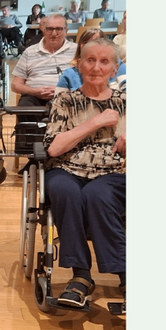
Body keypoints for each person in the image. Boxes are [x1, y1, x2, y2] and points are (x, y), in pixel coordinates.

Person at [44, 38, 126, 308]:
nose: (96, 67)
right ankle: (80, 276)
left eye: (104, 62)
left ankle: (126, 275)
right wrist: (96, 122)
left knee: (97, 193)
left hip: (114, 173)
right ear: (79, 65)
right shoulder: (65, 101)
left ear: (115, 69)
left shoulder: (127, 104)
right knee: (63, 189)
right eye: (90, 60)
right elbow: (55, 148)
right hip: (67, 169)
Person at [11, 14, 77, 108]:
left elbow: (86, 81)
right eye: (50, 29)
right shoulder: (30, 52)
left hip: (69, 97)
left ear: (66, 31)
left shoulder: (76, 51)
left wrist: (63, 90)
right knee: (25, 106)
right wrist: (34, 91)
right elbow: (15, 85)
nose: (54, 33)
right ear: (44, 30)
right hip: (34, 97)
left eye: (59, 29)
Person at [56, 29, 127, 93]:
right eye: (86, 43)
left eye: (95, 42)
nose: (90, 47)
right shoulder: (70, 73)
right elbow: (58, 101)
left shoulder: (118, 65)